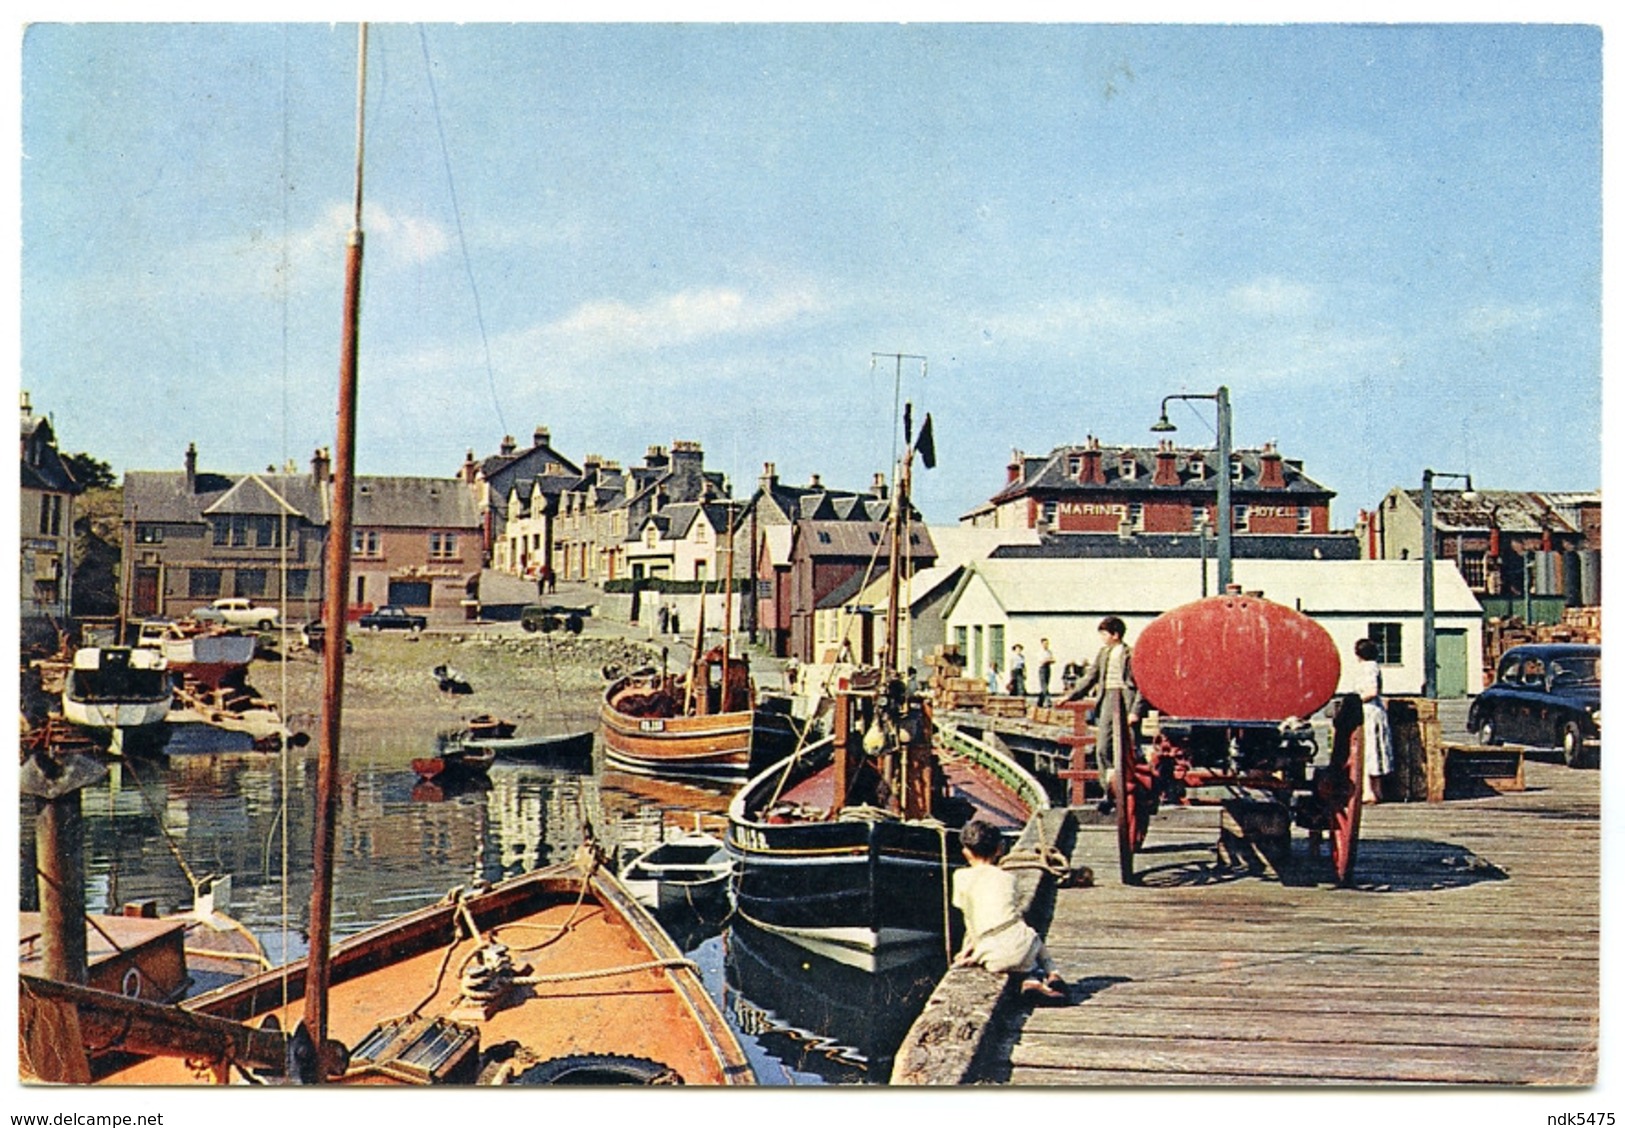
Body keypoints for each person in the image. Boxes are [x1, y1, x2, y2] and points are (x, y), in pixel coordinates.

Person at [951, 818, 1065, 1002]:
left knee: (1016, 945)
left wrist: (966, 951)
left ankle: (1032, 981)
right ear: (1000, 849)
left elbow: (970, 919)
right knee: (1030, 935)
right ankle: (1050, 974)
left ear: (965, 852)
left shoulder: (960, 877)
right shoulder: (1008, 878)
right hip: (1022, 948)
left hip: (991, 956)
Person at [1060, 616, 1141, 814]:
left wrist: (1135, 712)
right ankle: (1110, 792)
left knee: (1129, 748)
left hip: (1125, 700)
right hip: (1107, 700)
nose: (1102, 638)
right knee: (1103, 747)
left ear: (1115, 635)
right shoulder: (1103, 653)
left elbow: (1141, 686)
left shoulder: (1131, 654)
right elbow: (1091, 677)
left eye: (1104, 634)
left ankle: (1136, 789)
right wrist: (1070, 696)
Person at [1353, 638, 1393, 803]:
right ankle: (1377, 789)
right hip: (1375, 710)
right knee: (1376, 749)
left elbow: (1372, 691)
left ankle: (1369, 791)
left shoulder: (1367, 668)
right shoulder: (1374, 666)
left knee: (1369, 749)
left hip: (1368, 711)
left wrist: (1355, 700)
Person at [1036, 638, 1055, 707]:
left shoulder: (1049, 652)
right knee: (1044, 686)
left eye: (1047, 644)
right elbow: (1042, 661)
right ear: (1042, 644)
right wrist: (1047, 660)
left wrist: (1048, 660)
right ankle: (1048, 701)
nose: (1046, 645)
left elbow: (1053, 660)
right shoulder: (1040, 652)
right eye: (1044, 644)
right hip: (1042, 669)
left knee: (1046, 685)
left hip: (1048, 668)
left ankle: (1040, 702)